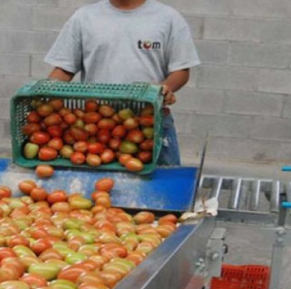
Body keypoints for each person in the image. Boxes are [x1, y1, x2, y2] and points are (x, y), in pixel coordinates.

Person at [44, 0, 200, 166]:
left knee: (163, 183)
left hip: (151, 122)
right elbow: (64, 69)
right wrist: (43, 92)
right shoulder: (84, 17)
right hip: (98, 125)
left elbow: (181, 70)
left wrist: (167, 87)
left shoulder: (168, 18)